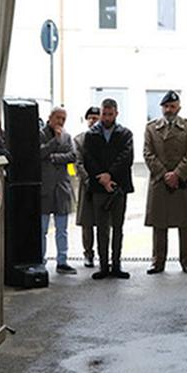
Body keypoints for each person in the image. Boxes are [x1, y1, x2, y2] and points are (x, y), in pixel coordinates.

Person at [143, 90, 187, 275]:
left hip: (183, 181)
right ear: (162, 108)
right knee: (159, 224)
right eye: (166, 106)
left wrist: (177, 174)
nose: (169, 110)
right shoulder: (151, 128)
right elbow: (147, 153)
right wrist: (164, 173)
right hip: (160, 181)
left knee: (186, 224)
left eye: (172, 106)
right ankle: (157, 261)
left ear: (179, 108)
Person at [83, 98, 134, 280]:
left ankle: (116, 265)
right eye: (104, 114)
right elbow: (88, 158)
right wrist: (103, 178)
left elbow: (126, 158)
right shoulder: (91, 135)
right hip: (98, 187)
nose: (106, 117)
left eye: (110, 114)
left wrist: (110, 175)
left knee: (118, 228)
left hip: (119, 187)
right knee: (101, 228)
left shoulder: (126, 134)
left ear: (116, 114)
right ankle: (103, 266)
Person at [39, 107, 78, 275]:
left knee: (62, 230)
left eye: (63, 118)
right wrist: (54, 142)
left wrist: (54, 157)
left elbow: (72, 156)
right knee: (42, 230)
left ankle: (62, 261)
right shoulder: (40, 134)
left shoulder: (67, 136)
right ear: (50, 118)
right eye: (58, 118)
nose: (60, 121)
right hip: (45, 189)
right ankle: (40, 261)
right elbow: (39, 153)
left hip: (62, 189)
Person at [74, 107, 101, 268]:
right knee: (87, 222)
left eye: (96, 117)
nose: (93, 120)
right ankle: (88, 254)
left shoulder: (106, 137)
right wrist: (88, 179)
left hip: (103, 184)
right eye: (90, 117)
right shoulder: (79, 139)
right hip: (87, 185)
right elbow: (78, 162)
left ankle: (105, 254)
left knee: (104, 223)